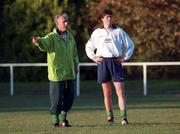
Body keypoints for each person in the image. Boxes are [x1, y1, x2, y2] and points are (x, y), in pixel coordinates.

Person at [85, 9, 134, 125]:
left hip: (115, 62)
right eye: (107, 17)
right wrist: (93, 57)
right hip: (102, 63)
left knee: (120, 92)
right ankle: (110, 117)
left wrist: (125, 57)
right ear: (102, 19)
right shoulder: (97, 32)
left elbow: (130, 44)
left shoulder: (119, 31)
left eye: (110, 17)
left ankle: (124, 118)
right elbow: (88, 47)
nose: (109, 19)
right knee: (107, 93)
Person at [31, 13, 79, 128]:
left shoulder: (70, 36)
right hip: (57, 74)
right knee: (56, 100)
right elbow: (44, 43)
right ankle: (55, 121)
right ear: (57, 23)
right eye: (64, 21)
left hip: (70, 72)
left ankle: (63, 119)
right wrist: (38, 41)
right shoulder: (51, 37)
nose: (66, 23)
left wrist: (76, 65)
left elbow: (74, 53)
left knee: (70, 98)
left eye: (67, 21)